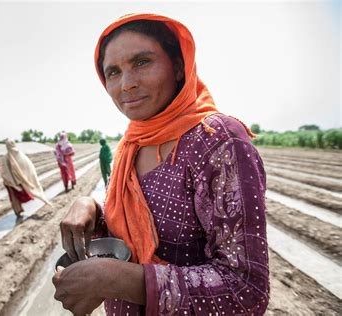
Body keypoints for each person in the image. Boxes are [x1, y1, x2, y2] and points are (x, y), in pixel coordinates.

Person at [53, 14, 269, 316]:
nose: (126, 84)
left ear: (179, 66)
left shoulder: (216, 141)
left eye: (142, 62)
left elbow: (246, 289)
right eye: (113, 72)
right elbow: (135, 224)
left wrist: (116, 279)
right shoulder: (132, 142)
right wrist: (91, 208)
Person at [1, 139, 52, 217]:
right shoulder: (20, 154)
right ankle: (20, 210)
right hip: (20, 180)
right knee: (31, 191)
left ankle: (18, 211)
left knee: (14, 197)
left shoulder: (6, 157)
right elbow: (28, 167)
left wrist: (12, 180)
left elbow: (5, 172)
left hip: (12, 181)